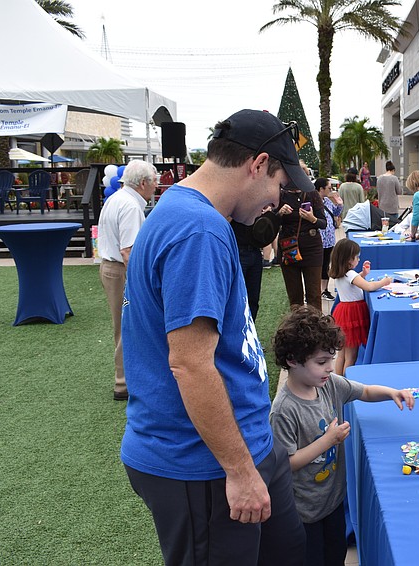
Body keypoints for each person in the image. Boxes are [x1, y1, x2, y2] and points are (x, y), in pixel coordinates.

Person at [120, 109, 313, 565]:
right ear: (258, 164)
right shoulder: (199, 229)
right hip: (202, 463)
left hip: (243, 445)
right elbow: (189, 363)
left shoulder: (193, 214)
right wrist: (239, 470)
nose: (275, 199)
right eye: (279, 182)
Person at [270, 306, 414, 566]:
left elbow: (365, 391)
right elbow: (285, 462)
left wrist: (392, 392)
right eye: (321, 362)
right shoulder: (283, 410)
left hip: (333, 500)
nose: (330, 368)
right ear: (292, 360)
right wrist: (327, 440)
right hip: (304, 510)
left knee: (335, 555)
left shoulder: (329, 385)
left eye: (331, 359)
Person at [97, 159, 158, 401]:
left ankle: (125, 381)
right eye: (154, 181)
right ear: (143, 183)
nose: (156, 186)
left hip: (110, 268)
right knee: (127, 326)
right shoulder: (131, 206)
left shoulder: (116, 198)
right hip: (120, 270)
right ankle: (123, 384)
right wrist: (139, 283)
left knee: (122, 326)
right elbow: (128, 251)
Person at [327, 238, 392, 375]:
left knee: (342, 355)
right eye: (357, 257)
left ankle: (338, 380)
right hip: (353, 313)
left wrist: (363, 274)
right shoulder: (350, 274)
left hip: (343, 312)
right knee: (351, 356)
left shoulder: (340, 273)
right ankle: (346, 384)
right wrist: (384, 282)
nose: (358, 259)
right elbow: (368, 287)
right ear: (349, 260)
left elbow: (353, 283)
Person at [278, 182, 327, 312]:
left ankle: (317, 328)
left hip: (312, 248)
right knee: (295, 297)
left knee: (314, 295)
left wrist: (312, 219)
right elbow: (270, 222)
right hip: (289, 248)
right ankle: (296, 328)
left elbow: (323, 223)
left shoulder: (311, 193)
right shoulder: (280, 194)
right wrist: (279, 213)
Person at [232, 207, 280, 320]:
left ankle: (250, 328)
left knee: (253, 297)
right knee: (238, 296)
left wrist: (265, 211)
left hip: (255, 250)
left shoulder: (255, 202)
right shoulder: (234, 203)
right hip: (238, 249)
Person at [317, 177, 344, 300]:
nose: (331, 190)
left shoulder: (327, 201)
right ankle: (315, 290)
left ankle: (324, 289)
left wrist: (339, 204)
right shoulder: (313, 201)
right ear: (321, 189)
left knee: (326, 264)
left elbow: (336, 213)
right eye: (328, 188)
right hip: (318, 239)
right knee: (317, 265)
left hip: (329, 239)